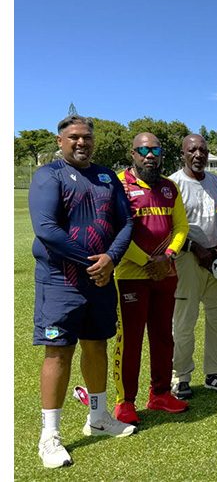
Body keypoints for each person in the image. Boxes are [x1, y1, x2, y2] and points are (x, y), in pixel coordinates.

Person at [30, 114, 137, 468]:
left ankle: (99, 416)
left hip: (100, 280)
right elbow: (46, 228)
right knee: (58, 352)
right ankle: (50, 436)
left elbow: (126, 222)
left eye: (87, 137)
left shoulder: (107, 176)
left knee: (97, 345)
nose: (81, 142)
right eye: (73, 137)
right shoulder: (49, 175)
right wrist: (94, 260)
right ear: (60, 141)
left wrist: (111, 258)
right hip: (61, 281)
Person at [113, 132, 190, 425]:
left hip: (165, 273)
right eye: (143, 149)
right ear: (132, 153)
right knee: (130, 340)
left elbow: (181, 226)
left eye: (155, 149)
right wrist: (146, 261)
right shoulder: (119, 185)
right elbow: (116, 230)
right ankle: (125, 401)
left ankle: (159, 394)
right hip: (132, 275)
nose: (149, 155)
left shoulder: (170, 187)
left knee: (162, 337)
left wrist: (168, 256)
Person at [169, 134, 217, 400]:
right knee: (184, 321)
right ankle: (181, 376)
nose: (198, 155)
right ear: (183, 153)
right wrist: (196, 249)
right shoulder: (173, 184)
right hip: (186, 259)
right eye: (192, 150)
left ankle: (215, 373)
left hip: (216, 258)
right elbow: (169, 226)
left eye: (203, 150)